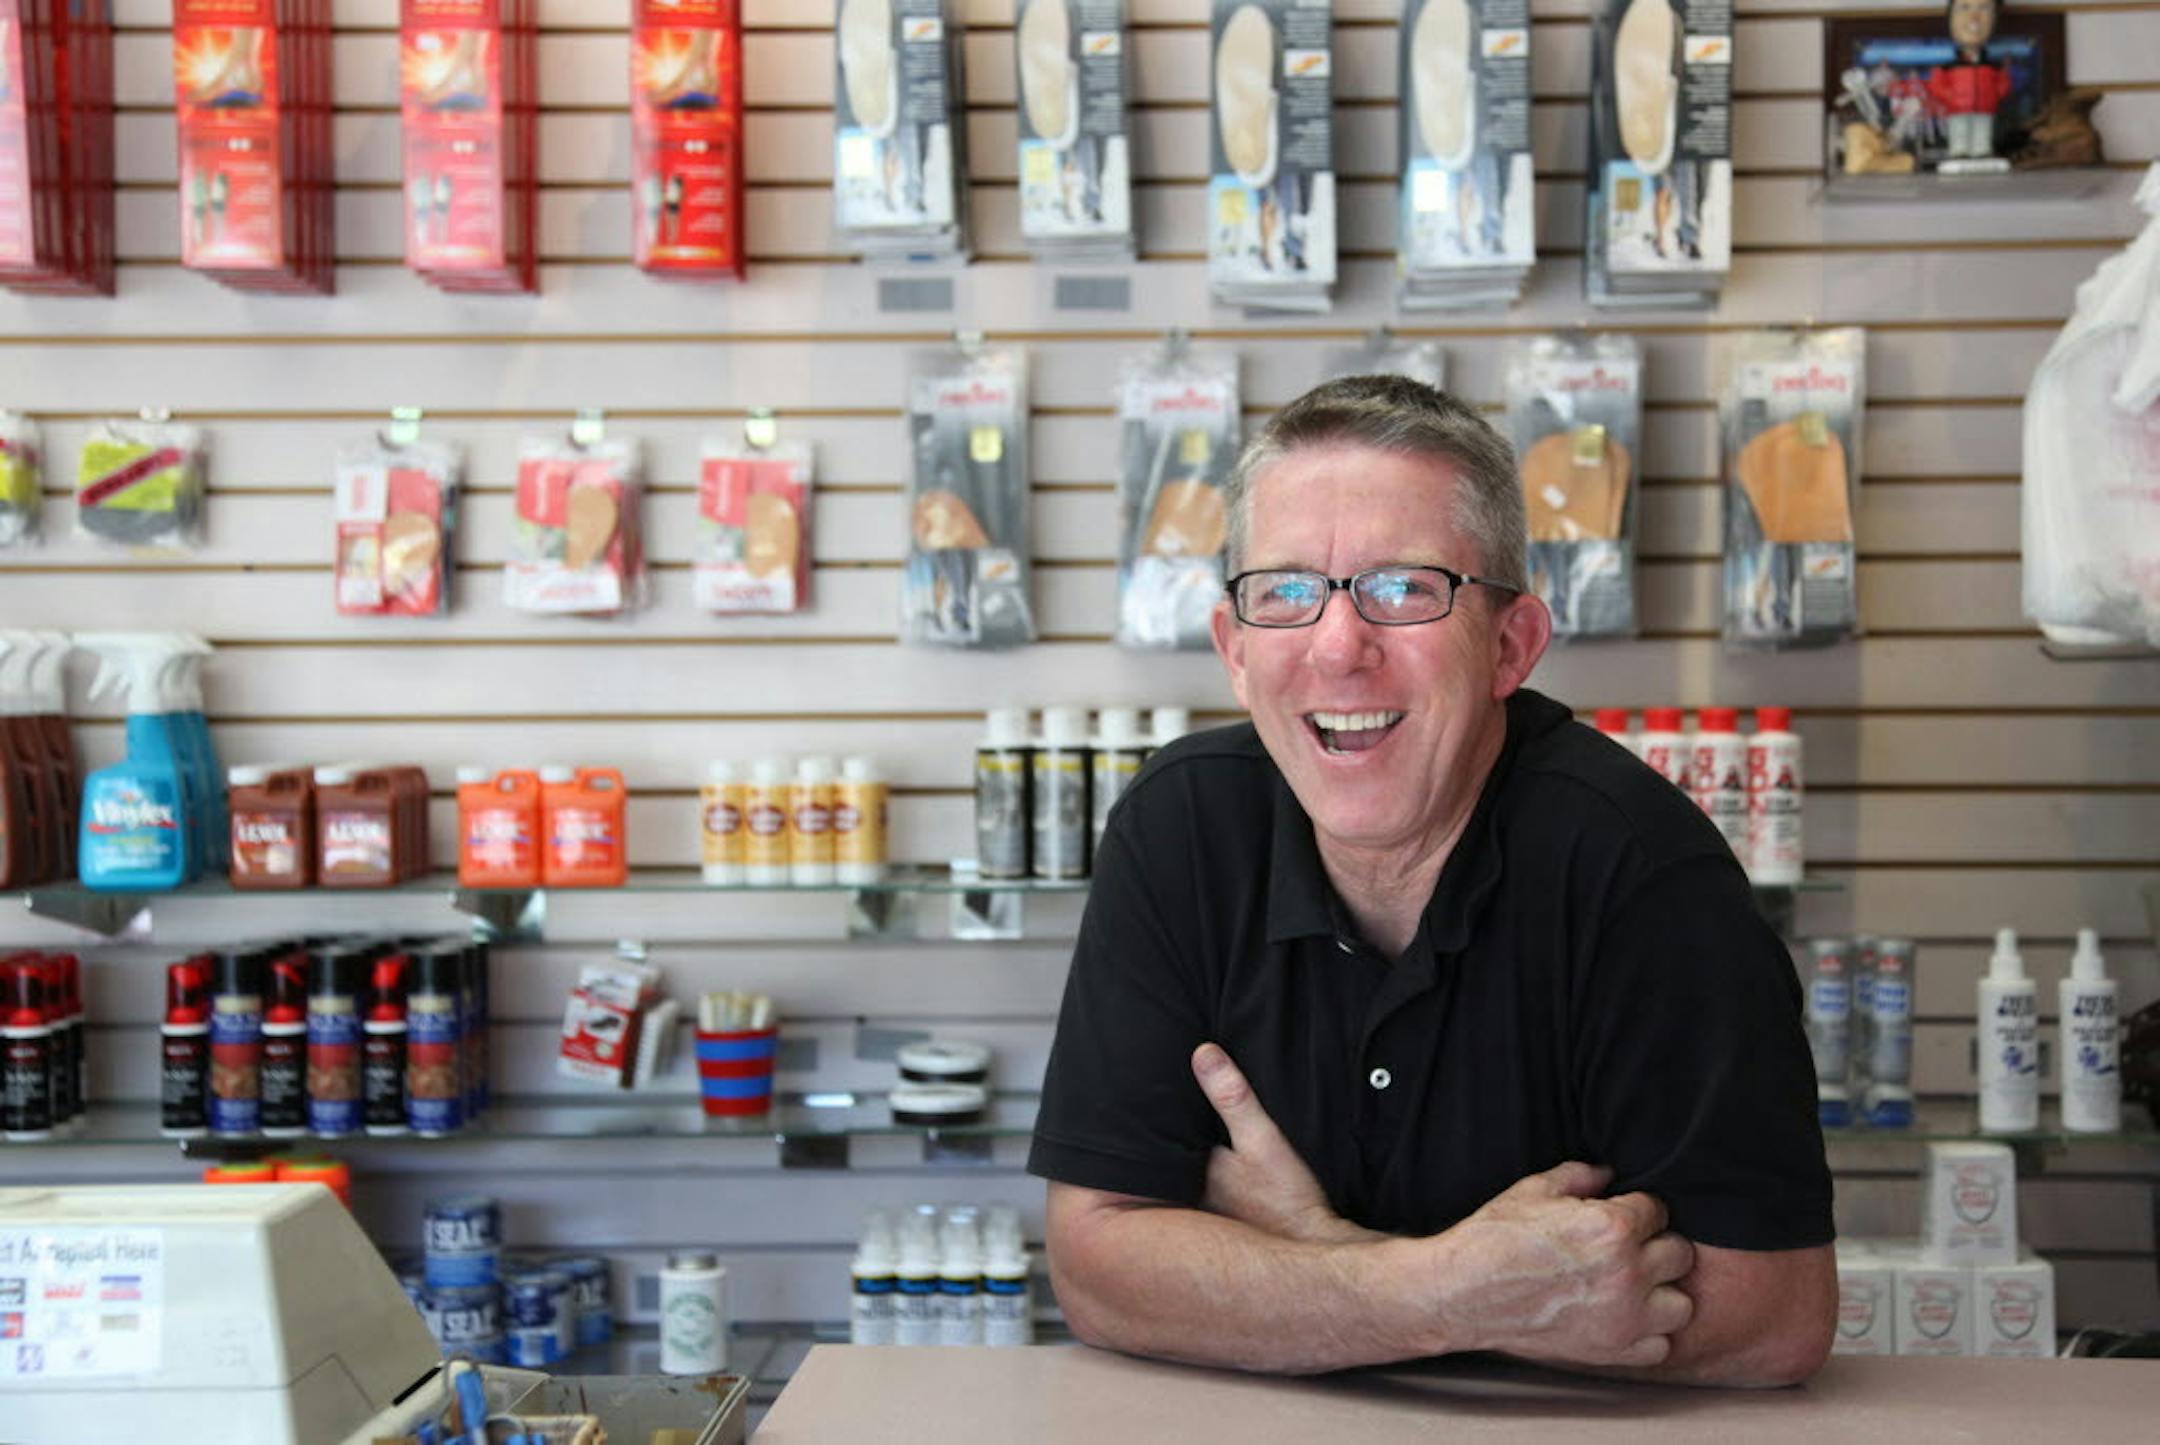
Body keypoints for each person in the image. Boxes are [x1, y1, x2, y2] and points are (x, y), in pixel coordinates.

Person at [1028, 376, 1837, 1385]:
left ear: (1510, 645)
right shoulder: (1180, 827)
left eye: (1404, 587)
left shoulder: (1644, 871)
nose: (1337, 646)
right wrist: (1443, 1290)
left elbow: (1774, 1316)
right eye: (1286, 590)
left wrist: (1305, 1256)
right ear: (1234, 651)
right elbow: (1098, 1265)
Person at [1929, 0, 2013, 160]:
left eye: (1984, 8)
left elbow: (2004, 83)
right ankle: (1959, 150)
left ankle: (1982, 150)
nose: (1974, 17)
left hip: (1984, 107)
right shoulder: (1947, 68)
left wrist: (1993, 96)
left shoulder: (1993, 67)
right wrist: (1951, 97)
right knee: (1959, 130)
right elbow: (1936, 86)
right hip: (1958, 109)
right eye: (1964, 7)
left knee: (1983, 131)